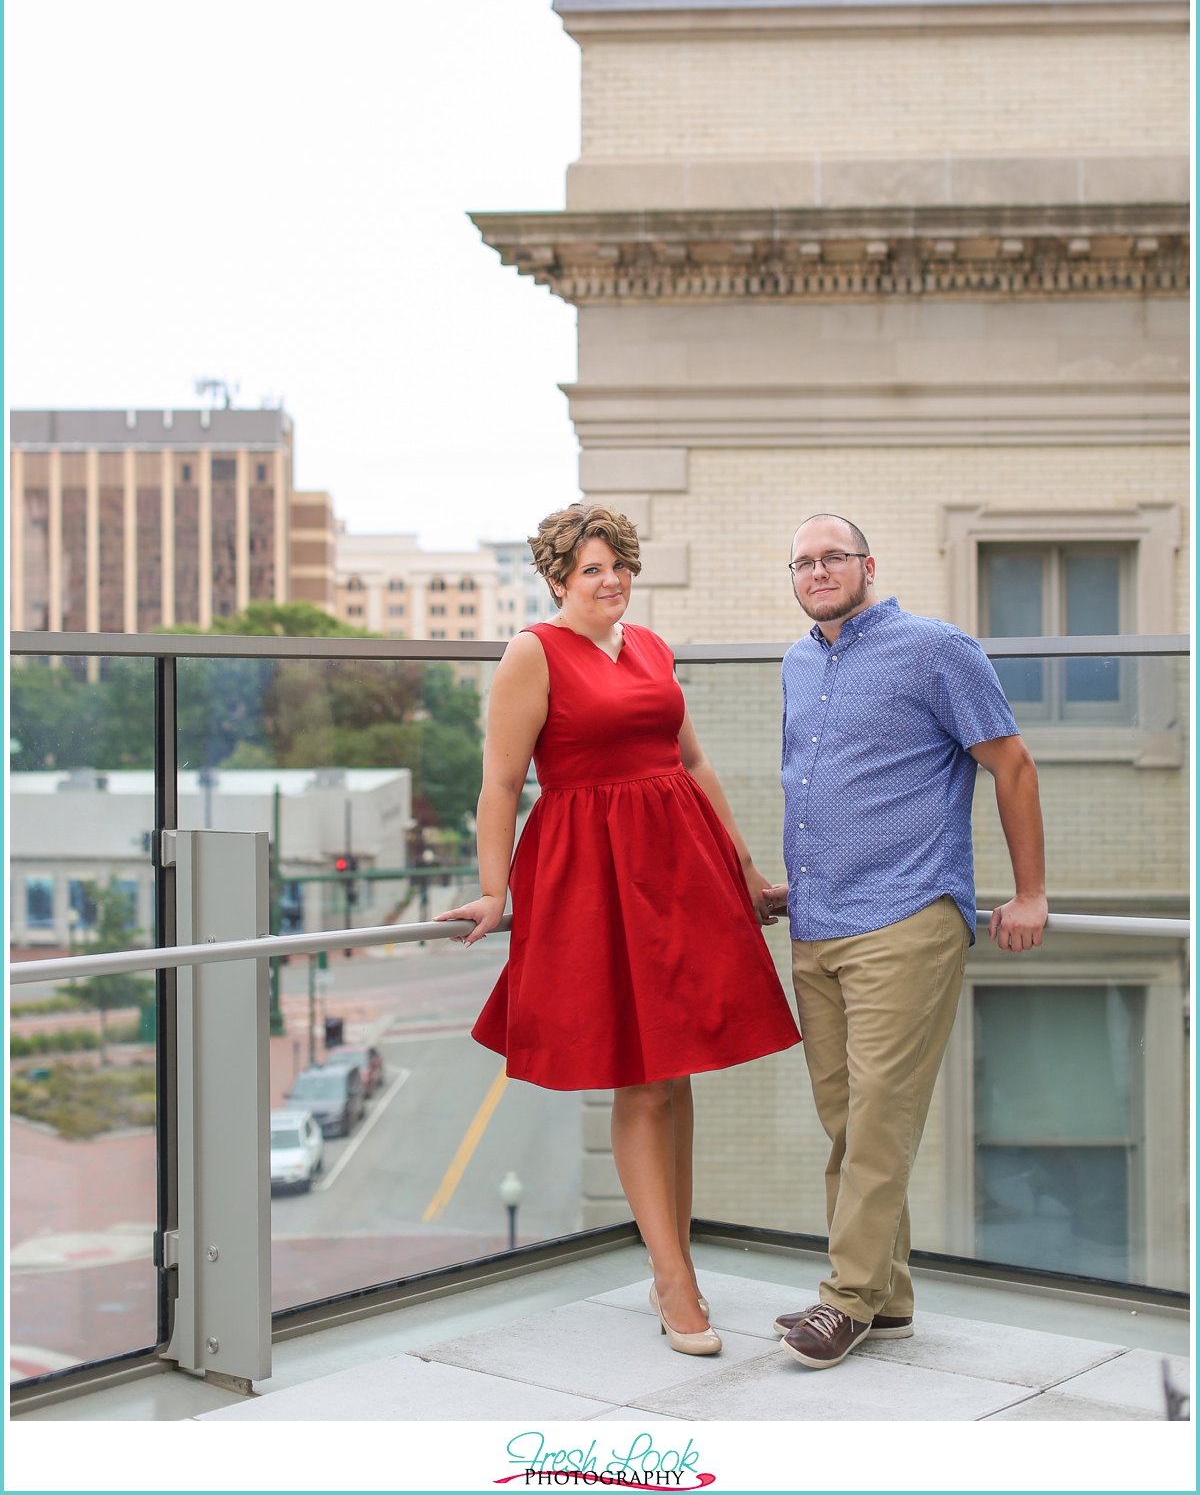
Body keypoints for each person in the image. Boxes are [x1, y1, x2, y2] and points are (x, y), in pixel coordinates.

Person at [438, 502, 800, 1357]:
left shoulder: (650, 647)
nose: (611, 581)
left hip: (680, 866)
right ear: (560, 579)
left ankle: (673, 1264)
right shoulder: (533, 653)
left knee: (676, 1075)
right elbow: (500, 784)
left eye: (620, 566)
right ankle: (675, 1279)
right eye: (593, 569)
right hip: (593, 872)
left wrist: (743, 867)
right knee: (641, 1076)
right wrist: (494, 893)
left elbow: (694, 761)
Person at [765, 513, 1047, 1371]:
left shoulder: (936, 649)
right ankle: (887, 1302)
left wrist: (1029, 891)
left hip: (907, 917)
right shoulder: (797, 661)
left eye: (833, 558)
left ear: (867, 565)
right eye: (804, 562)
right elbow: (821, 787)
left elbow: (1013, 765)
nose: (819, 572)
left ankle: (842, 1301)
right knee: (849, 1124)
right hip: (816, 923)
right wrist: (795, 885)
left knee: (881, 1119)